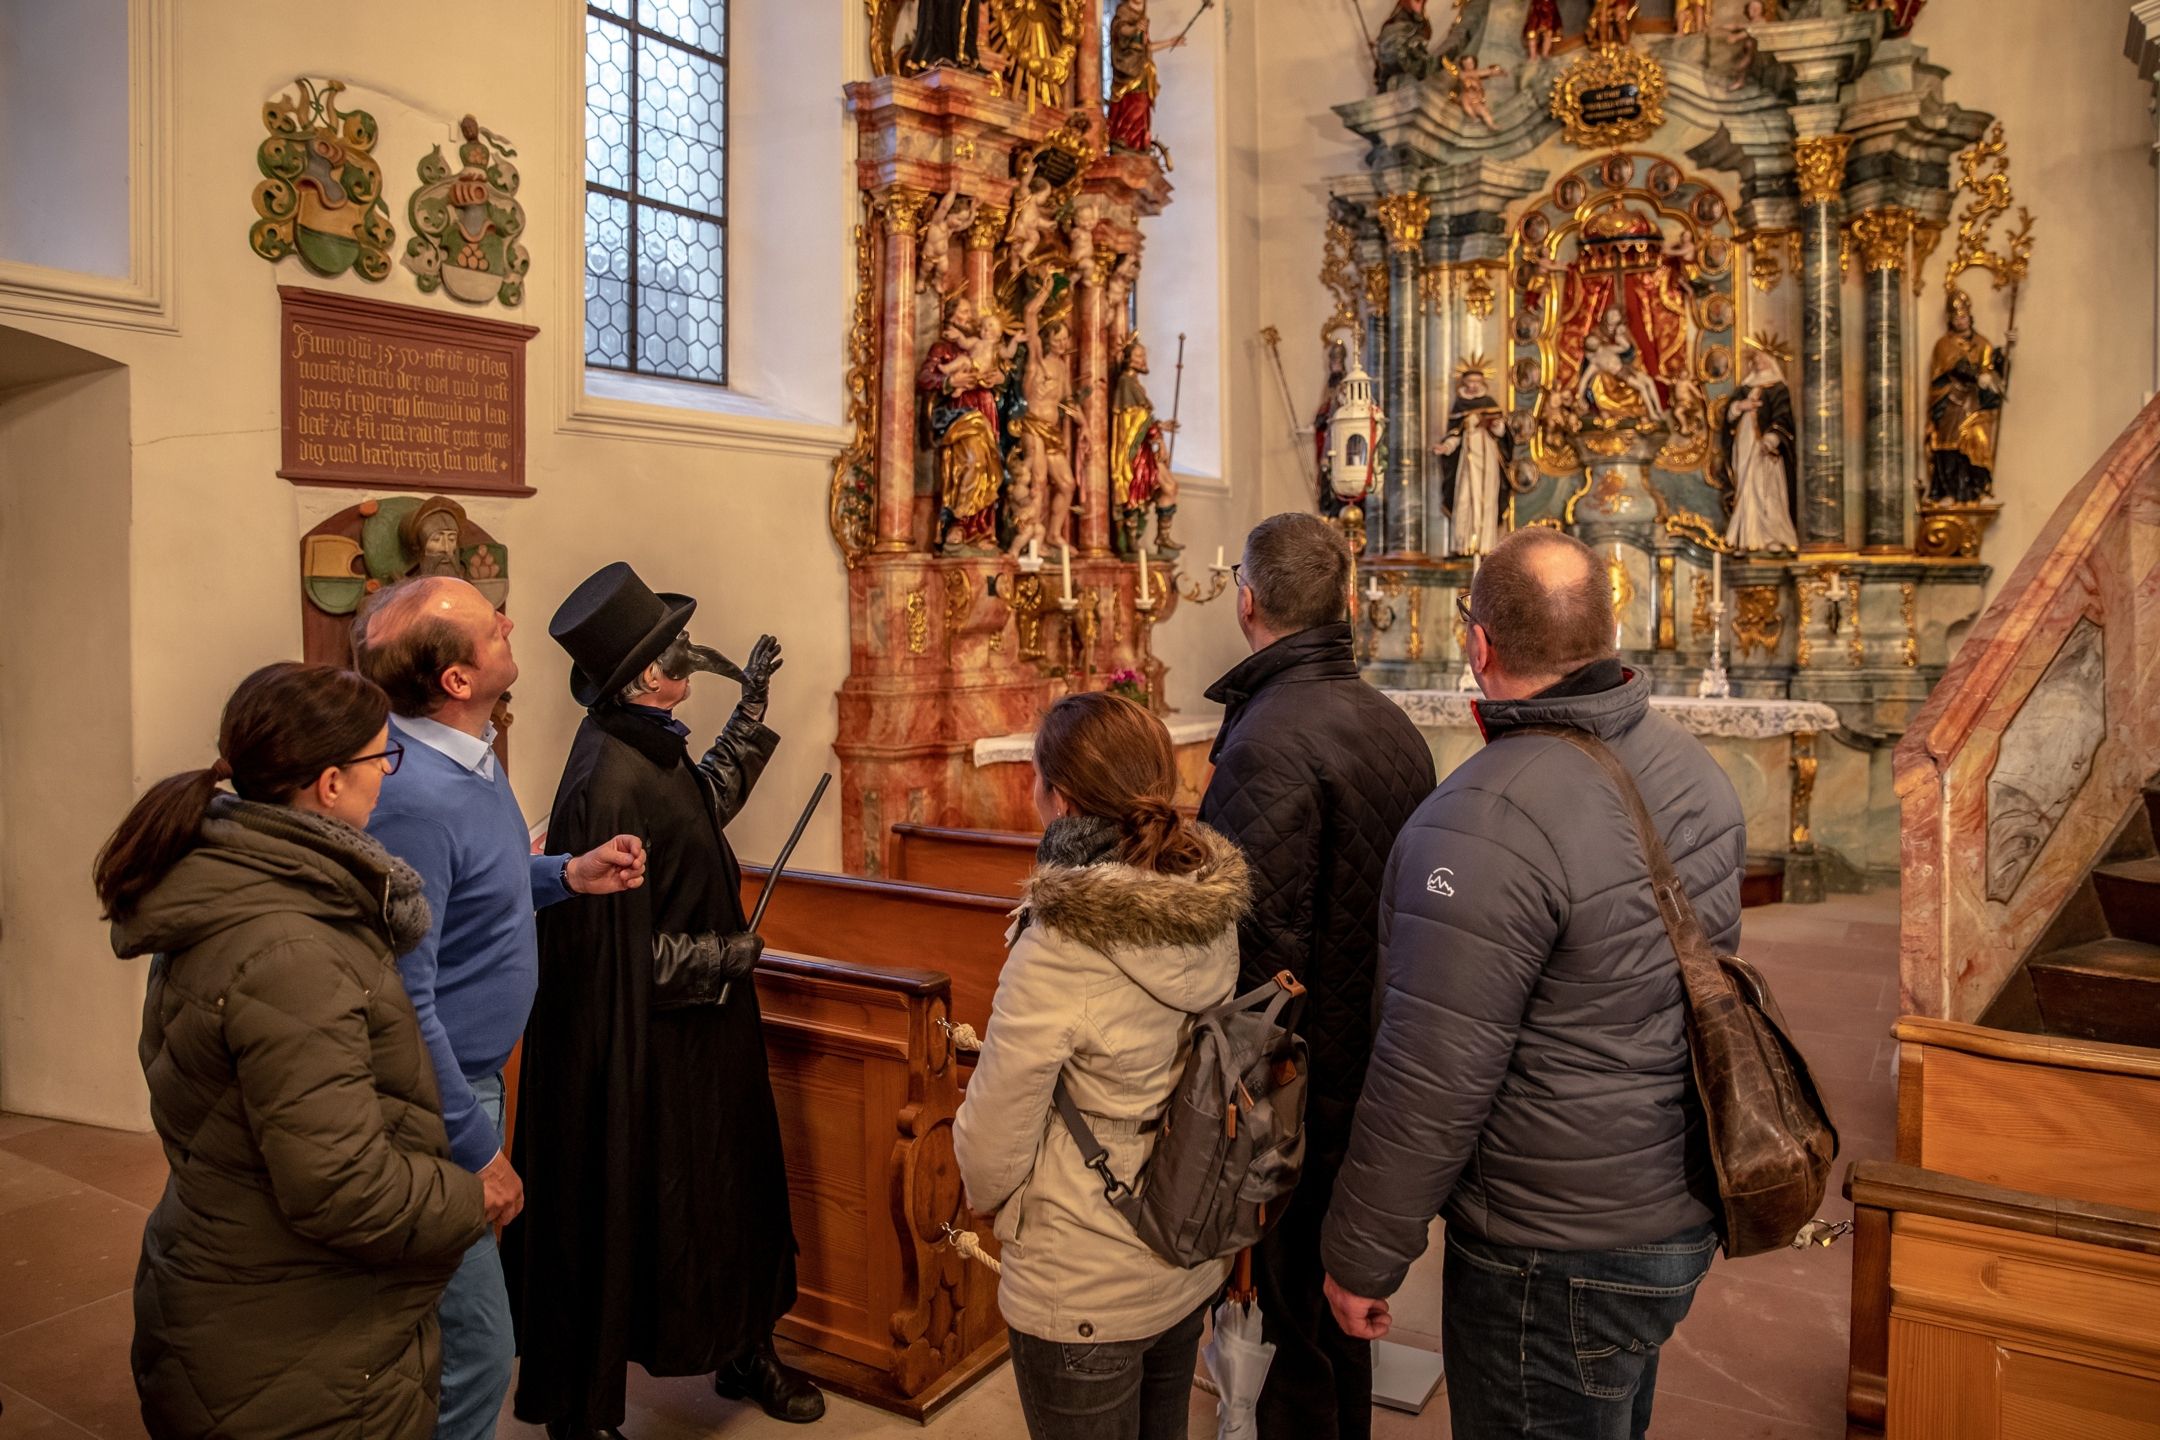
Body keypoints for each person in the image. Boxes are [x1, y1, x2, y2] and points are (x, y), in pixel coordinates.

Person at [1320, 528, 1745, 1440]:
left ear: (1480, 644)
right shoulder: (1693, 769)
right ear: (1606, 628)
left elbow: (1431, 1071)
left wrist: (1363, 1252)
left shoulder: (1484, 816)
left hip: (1552, 1249)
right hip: (1669, 1196)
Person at [97, 662, 487, 1439]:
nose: (390, 777)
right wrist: (472, 1200)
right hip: (290, 1341)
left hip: (249, 1288)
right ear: (331, 785)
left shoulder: (244, 886)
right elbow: (342, 1187)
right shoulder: (290, 949)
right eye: (385, 759)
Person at [507, 562, 822, 1435]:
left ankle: (743, 1347)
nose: (695, 652)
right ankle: (588, 1407)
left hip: (709, 1034)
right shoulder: (603, 779)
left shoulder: (648, 737)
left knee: (735, 1195)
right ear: (646, 674)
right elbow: (615, 956)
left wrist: (749, 713)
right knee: (641, 1216)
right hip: (643, 1052)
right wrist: (724, 953)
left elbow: (701, 801)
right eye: (676, 645)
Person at [353, 576, 649, 1440]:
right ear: (455, 680)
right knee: (481, 1348)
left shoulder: (468, 760)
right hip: (438, 1101)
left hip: (473, 1080)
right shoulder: (412, 799)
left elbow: (470, 892)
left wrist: (564, 874)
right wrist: (475, 1145)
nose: (511, 622)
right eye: (491, 625)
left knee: (461, 1336)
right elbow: (407, 998)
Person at [954, 693, 1251, 1440]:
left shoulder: (1060, 941)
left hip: (1083, 1273)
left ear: (1060, 797)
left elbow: (992, 1141)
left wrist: (983, 1197)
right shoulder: (1203, 900)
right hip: (1181, 1247)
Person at [1197, 514, 1434, 1440]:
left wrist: (1238, 1108)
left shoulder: (1268, 739)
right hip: (1368, 1057)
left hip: (1297, 1089)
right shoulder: (1388, 720)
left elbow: (1258, 952)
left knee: (1291, 1321)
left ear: (1248, 600)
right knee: (1335, 1316)